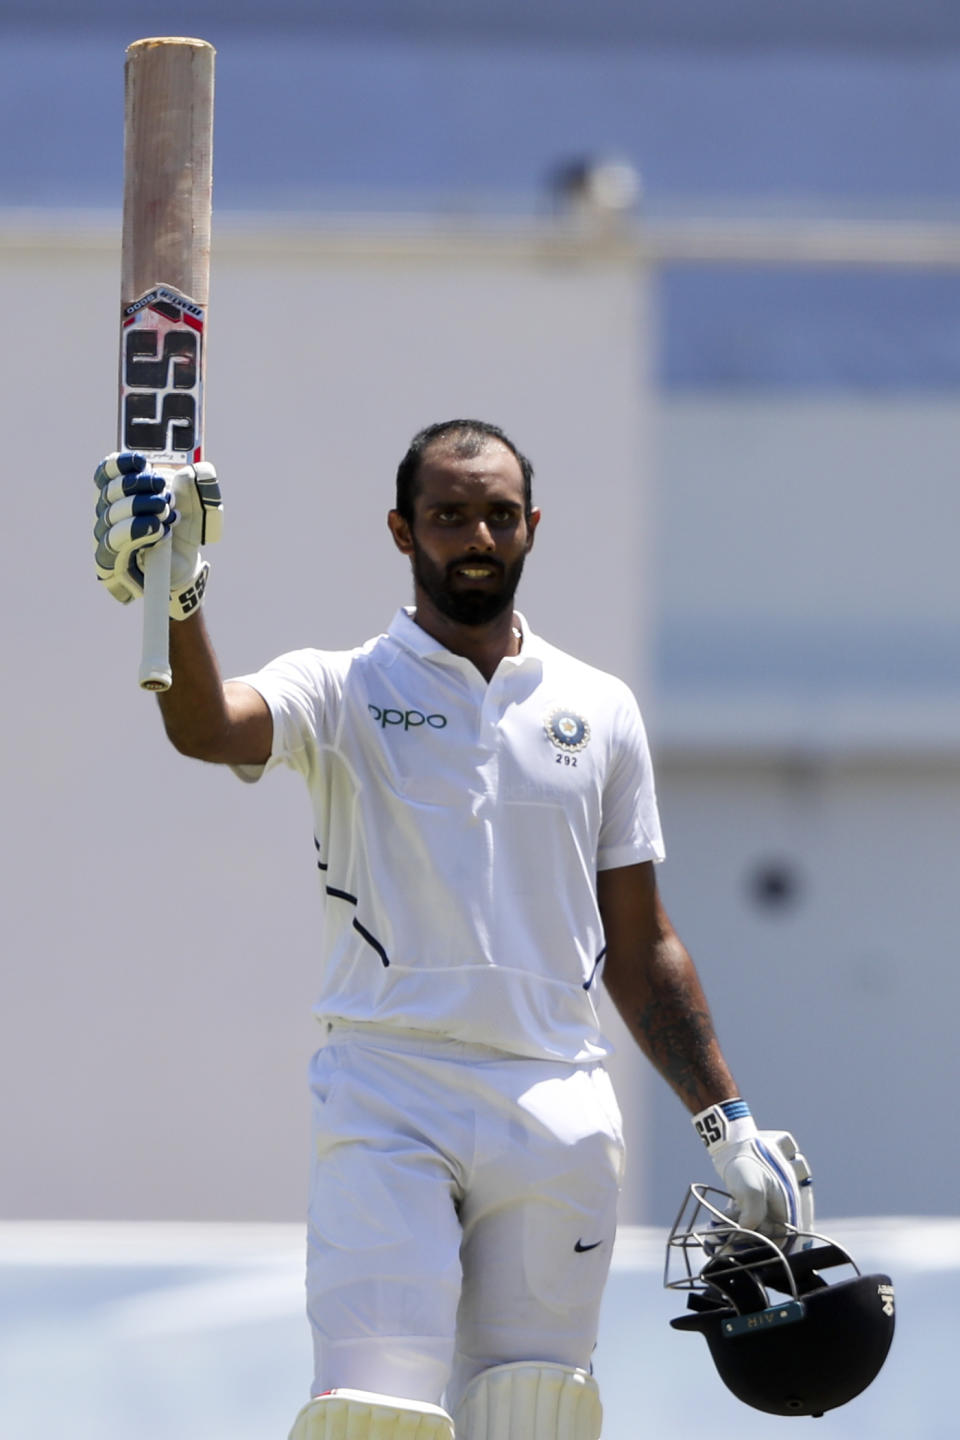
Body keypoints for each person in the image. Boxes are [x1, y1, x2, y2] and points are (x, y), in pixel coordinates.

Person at [93, 419, 813, 1440]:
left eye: (498, 515)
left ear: (531, 527)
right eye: (447, 516)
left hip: (557, 1095)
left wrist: (725, 1120)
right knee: (372, 1413)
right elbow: (206, 724)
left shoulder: (598, 708)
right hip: (390, 1091)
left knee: (536, 1413)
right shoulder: (341, 686)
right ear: (401, 530)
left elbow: (642, 943)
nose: (475, 535)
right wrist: (176, 595)